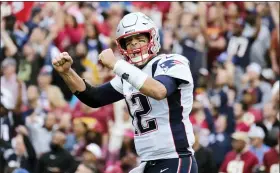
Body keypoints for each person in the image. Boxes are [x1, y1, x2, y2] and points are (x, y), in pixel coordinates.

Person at [52, 12, 197, 173]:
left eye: (140, 39)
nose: (135, 45)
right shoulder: (128, 74)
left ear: (152, 39)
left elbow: (158, 90)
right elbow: (94, 98)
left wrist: (116, 64)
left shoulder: (172, 62)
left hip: (175, 157)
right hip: (148, 162)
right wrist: (67, 73)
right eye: (129, 42)